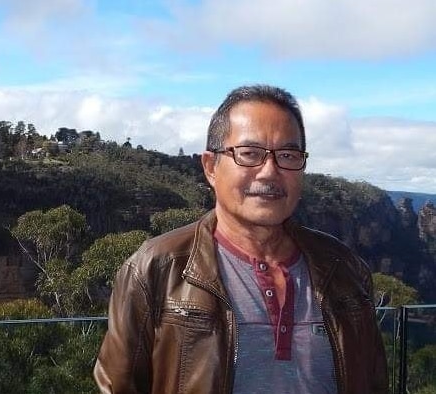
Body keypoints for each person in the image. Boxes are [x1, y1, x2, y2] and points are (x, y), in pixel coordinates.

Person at [93, 84, 388, 394]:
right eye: (249, 154)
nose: (269, 171)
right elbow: (118, 385)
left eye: (287, 155)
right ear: (210, 166)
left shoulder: (345, 270)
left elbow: (375, 382)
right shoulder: (155, 268)